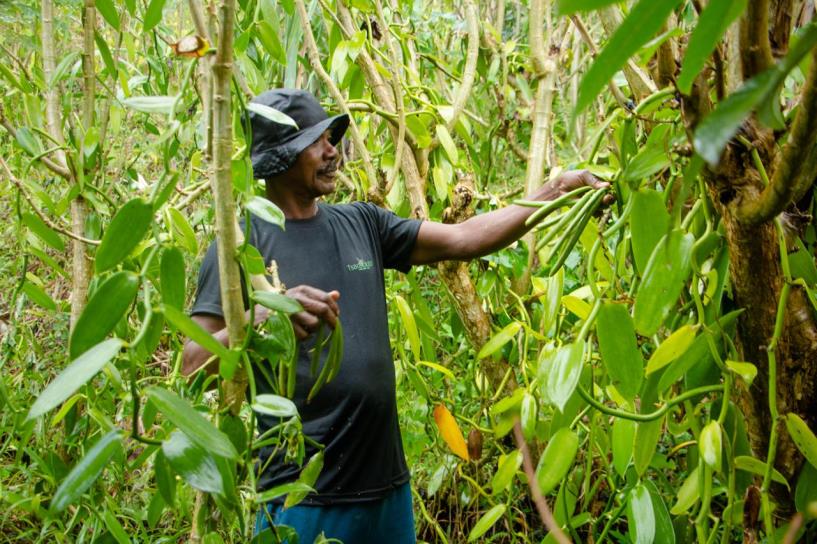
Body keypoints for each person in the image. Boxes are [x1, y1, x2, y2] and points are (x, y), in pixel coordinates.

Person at [182, 88, 608, 543]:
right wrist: (268, 320)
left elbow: (466, 238)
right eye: (317, 141)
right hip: (301, 501)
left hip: (387, 491)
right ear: (281, 157)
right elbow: (191, 366)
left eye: (332, 137)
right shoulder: (241, 248)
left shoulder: (362, 223)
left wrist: (557, 190)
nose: (333, 151)